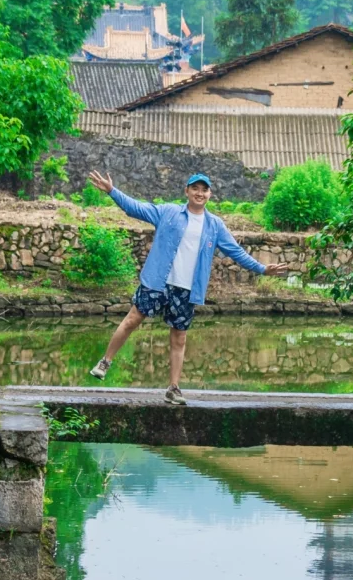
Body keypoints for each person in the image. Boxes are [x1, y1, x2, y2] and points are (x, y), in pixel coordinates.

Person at [86, 169, 287, 404]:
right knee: (132, 320)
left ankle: (173, 387)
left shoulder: (215, 225)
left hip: (187, 288)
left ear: (210, 194)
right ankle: (106, 361)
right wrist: (112, 191)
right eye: (195, 189)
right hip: (158, 281)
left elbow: (236, 252)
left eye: (204, 190)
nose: (199, 193)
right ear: (187, 191)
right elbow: (136, 208)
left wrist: (262, 269)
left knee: (179, 337)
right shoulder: (169, 212)